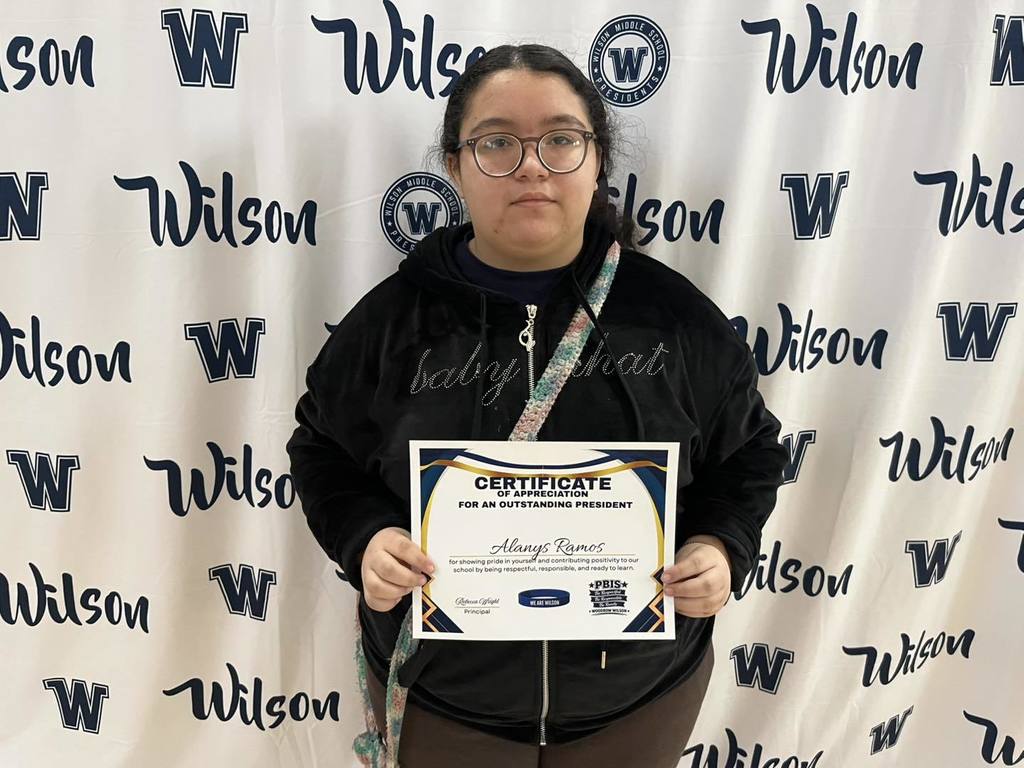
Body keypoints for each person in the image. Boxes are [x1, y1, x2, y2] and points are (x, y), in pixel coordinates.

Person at [287, 43, 789, 768]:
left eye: (560, 139)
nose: (531, 164)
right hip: (445, 706)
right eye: (497, 141)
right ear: (455, 166)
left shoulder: (676, 319)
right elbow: (322, 448)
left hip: (636, 705)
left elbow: (750, 454)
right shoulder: (392, 324)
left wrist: (720, 546)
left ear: (597, 162)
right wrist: (364, 536)